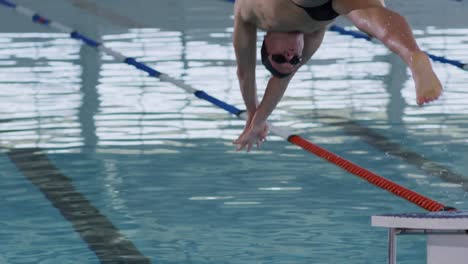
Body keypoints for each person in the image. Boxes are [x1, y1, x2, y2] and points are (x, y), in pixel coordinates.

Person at [232, 0, 443, 152]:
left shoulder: (247, 13)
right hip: (324, 7)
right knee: (366, 16)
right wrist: (258, 120)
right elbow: (282, 79)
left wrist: (253, 113)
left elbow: (245, 73)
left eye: (279, 58)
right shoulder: (312, 36)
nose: (290, 56)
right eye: (294, 61)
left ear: (266, 42)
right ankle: (413, 56)